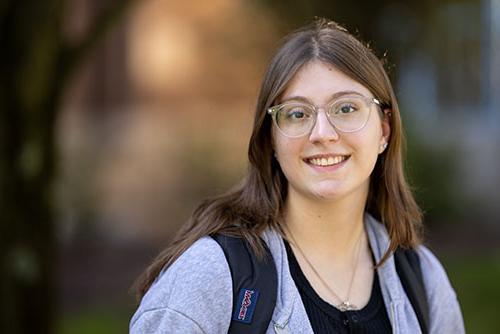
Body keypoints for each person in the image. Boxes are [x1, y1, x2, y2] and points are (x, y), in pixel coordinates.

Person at [130, 18, 465, 333]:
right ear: (271, 139)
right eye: (297, 114)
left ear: (384, 130)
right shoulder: (211, 276)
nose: (322, 133)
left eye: (346, 108)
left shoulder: (422, 279)